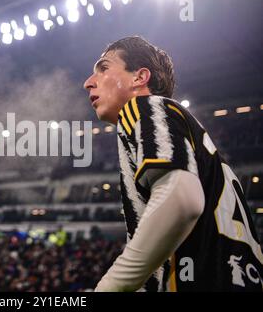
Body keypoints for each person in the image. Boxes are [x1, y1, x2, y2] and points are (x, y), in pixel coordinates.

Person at [83, 36, 263, 291]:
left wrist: (110, 287)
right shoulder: (188, 134)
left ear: (139, 77)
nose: (88, 82)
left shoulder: (144, 107)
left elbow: (182, 200)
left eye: (103, 68)